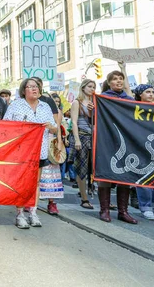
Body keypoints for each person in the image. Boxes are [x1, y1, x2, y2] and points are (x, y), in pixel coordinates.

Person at [3, 78, 58, 229]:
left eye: (36, 87)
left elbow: (55, 128)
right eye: (30, 87)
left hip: (39, 151)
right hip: (21, 152)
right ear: (23, 90)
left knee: (36, 182)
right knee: (21, 182)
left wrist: (51, 127)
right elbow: (6, 125)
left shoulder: (45, 106)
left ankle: (33, 212)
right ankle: (20, 214)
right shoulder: (16, 105)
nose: (34, 89)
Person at [98, 63, 137, 224]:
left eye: (121, 79)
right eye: (115, 79)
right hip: (107, 140)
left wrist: (124, 69)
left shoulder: (128, 100)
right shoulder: (103, 98)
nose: (119, 81)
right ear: (109, 83)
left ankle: (123, 211)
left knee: (125, 175)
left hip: (125, 140)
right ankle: (104, 210)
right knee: (105, 173)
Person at [134, 60, 154, 220]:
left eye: (152, 92)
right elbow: (126, 88)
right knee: (144, 176)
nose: (151, 94)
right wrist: (123, 69)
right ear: (140, 94)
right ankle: (145, 207)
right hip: (140, 145)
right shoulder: (132, 106)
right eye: (147, 92)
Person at [69, 79, 96, 210]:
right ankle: (84, 198)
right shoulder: (77, 103)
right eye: (90, 86)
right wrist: (77, 139)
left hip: (93, 137)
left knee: (93, 167)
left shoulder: (95, 103)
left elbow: (96, 121)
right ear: (83, 88)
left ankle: (90, 192)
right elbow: (74, 122)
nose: (92, 89)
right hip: (82, 136)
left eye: (94, 87)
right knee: (82, 167)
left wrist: (93, 111)